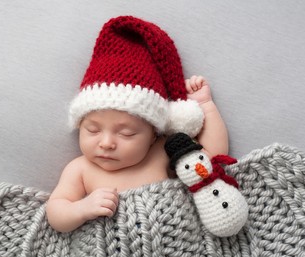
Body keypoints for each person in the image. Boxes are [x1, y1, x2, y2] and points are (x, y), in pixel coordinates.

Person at [46, 16, 228, 232]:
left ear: (153, 135)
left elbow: (214, 157)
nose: (106, 143)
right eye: (92, 130)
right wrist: (82, 209)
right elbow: (56, 212)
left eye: (126, 133)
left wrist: (205, 104)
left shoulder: (163, 151)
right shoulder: (81, 169)